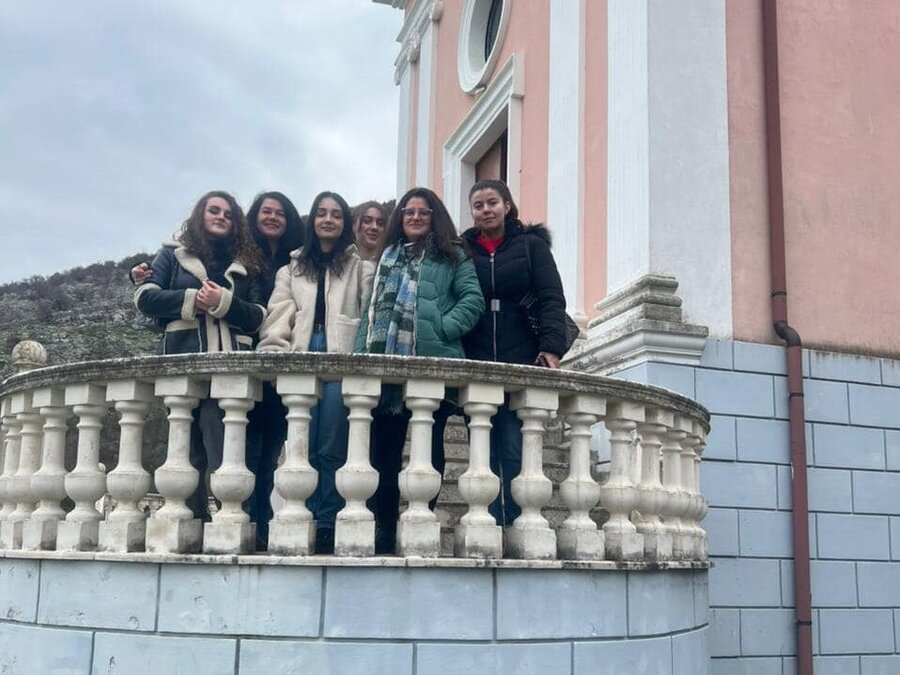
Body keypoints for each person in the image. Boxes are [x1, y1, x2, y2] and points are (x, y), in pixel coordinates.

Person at [132, 190, 305, 551]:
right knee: (184, 446)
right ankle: (191, 522)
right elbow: (146, 297)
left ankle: (230, 522)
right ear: (200, 214)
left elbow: (259, 315)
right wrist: (193, 300)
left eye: (227, 213)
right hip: (183, 360)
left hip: (229, 367)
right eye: (213, 210)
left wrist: (223, 302)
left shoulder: (247, 262)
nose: (220, 217)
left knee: (222, 445)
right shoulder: (172, 254)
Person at [355, 186, 485, 553]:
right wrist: (359, 355)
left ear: (434, 217)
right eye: (409, 212)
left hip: (434, 362)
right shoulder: (387, 257)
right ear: (400, 218)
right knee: (383, 451)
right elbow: (370, 313)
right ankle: (384, 527)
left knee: (429, 447)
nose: (415, 217)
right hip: (386, 366)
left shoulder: (452, 255)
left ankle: (421, 517)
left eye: (423, 212)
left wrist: (441, 328)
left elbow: (472, 300)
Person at [258, 191, 375, 554]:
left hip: (343, 357)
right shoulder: (291, 269)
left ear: (344, 223)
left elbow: (368, 316)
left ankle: (327, 522)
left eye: (336, 214)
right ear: (313, 220)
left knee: (333, 443)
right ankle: (302, 515)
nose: (328, 219)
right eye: (322, 213)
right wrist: (275, 355)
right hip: (302, 355)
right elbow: (279, 316)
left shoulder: (360, 268)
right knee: (301, 443)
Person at [461, 179, 569, 527]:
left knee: (512, 444)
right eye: (478, 205)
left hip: (520, 357)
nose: (486, 210)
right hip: (475, 358)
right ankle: (488, 521)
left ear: (507, 206)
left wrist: (551, 347)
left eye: (492, 202)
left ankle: (516, 522)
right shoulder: (463, 249)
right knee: (481, 445)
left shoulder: (531, 246)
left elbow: (551, 297)